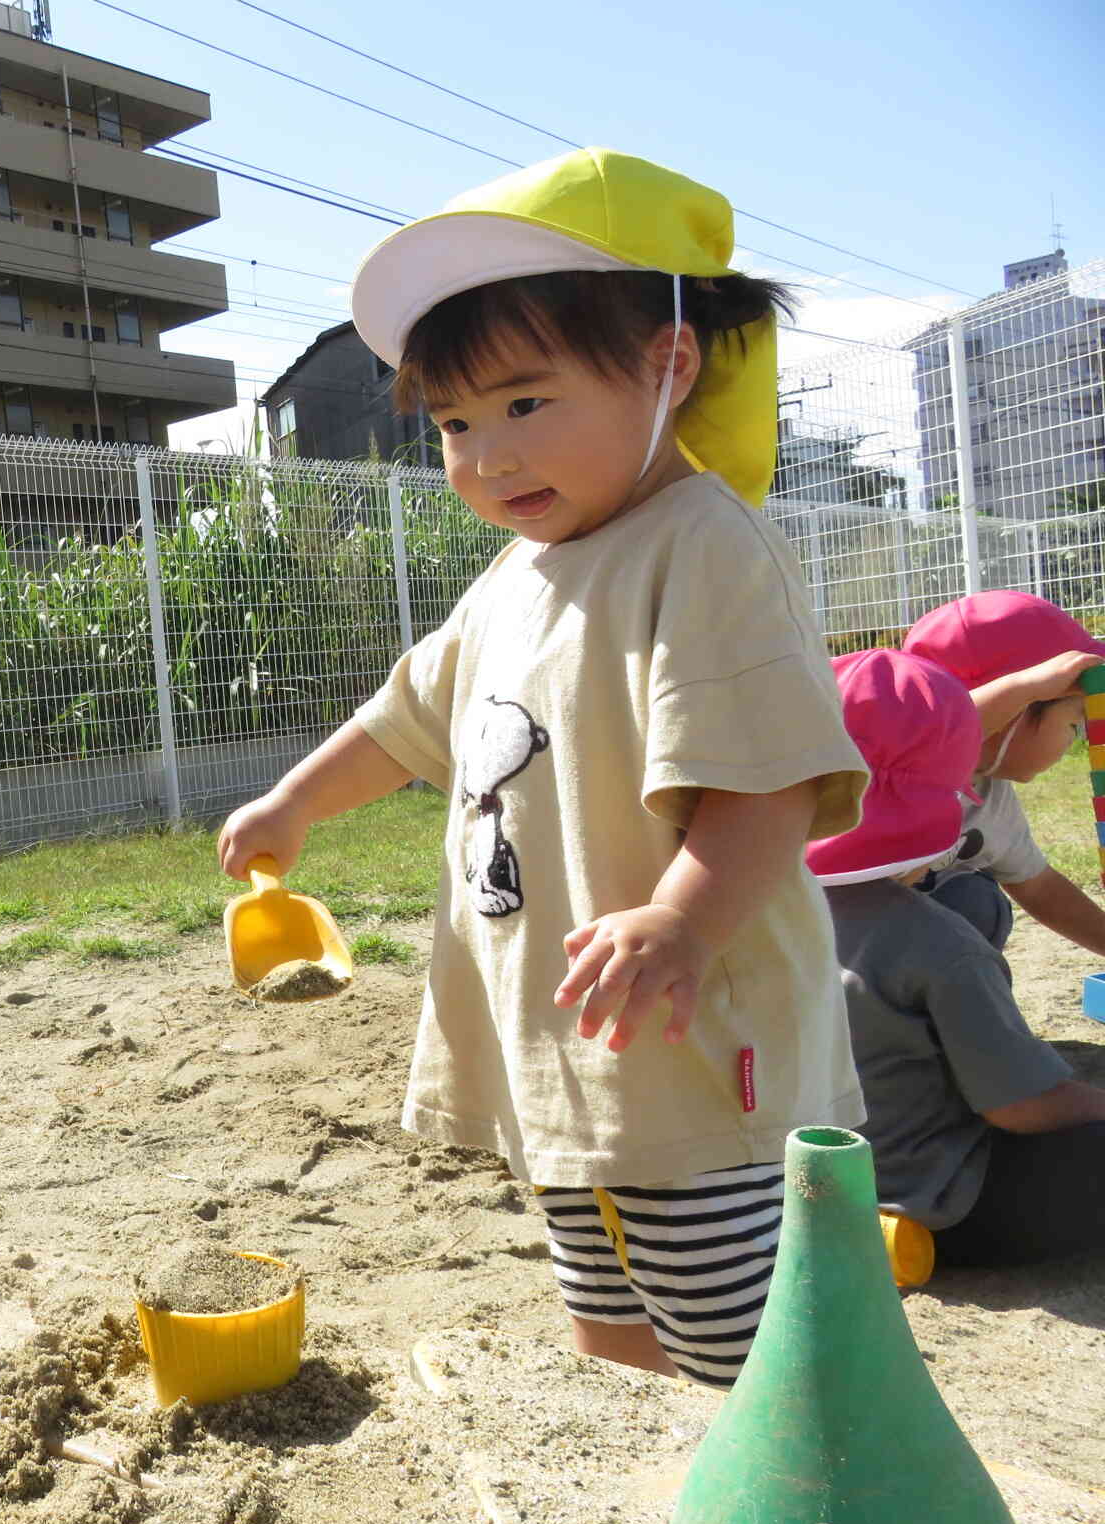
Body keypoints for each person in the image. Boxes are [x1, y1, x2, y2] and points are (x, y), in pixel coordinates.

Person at [218, 148, 870, 1390]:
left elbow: (767, 785)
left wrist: (680, 919)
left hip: (694, 1062)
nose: (486, 457)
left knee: (751, 1361)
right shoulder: (512, 577)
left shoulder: (700, 549)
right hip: (563, 1069)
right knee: (609, 1340)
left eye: (525, 405)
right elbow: (407, 719)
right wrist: (296, 799)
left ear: (667, 367)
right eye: (456, 425)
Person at [811, 649, 1105, 1266]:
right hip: (932, 1198)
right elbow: (1021, 1107)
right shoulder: (939, 944)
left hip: (799, 1181)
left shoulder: (758, 914)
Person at [899, 590, 1105, 955]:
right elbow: (932, 735)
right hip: (837, 958)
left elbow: (1039, 887)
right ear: (1016, 709)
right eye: (1075, 723)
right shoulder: (893, 771)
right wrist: (1021, 686)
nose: (1079, 737)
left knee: (975, 903)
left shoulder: (990, 796)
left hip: (908, 949)